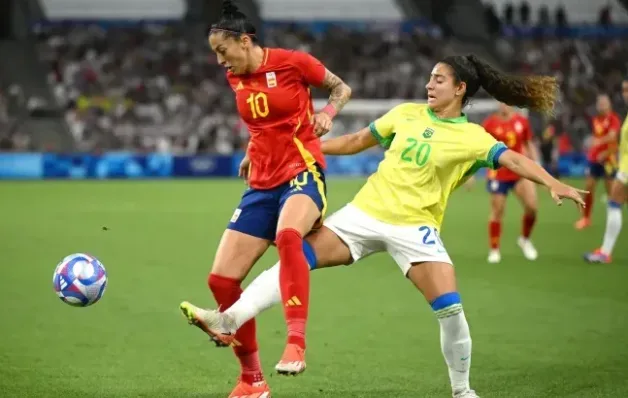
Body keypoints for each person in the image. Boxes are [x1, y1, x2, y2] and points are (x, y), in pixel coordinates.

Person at [181, 54, 586, 398]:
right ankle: (228, 319)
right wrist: (292, 147)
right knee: (296, 254)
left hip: (415, 229)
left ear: (460, 89)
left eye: (438, 79)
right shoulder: (406, 114)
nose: (429, 84)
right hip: (365, 214)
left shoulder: (472, 138)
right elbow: (357, 140)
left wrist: (552, 183)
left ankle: (462, 391)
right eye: (429, 77)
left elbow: (514, 160)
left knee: (450, 308)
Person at [179, 1, 352, 397]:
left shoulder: (293, 63)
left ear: (245, 41)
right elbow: (262, 123)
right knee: (220, 280)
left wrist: (328, 112)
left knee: (288, 235)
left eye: (223, 52)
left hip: (302, 172)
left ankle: (296, 342)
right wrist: (249, 152)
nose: (220, 62)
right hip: (261, 181)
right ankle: (252, 381)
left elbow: (342, 88)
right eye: (215, 55)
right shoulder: (235, 77)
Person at [482, 103, 540, 263]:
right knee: (497, 211)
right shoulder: (490, 123)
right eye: (501, 101)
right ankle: (494, 249)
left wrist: (537, 167)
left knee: (532, 207)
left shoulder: (522, 122)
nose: (503, 105)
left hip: (519, 171)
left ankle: (525, 239)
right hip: (498, 173)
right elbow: (479, 147)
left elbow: (529, 144)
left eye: (506, 102)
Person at [584, 80, 628, 263]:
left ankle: (604, 252)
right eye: (624, 89)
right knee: (614, 202)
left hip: (623, 168)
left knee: (614, 203)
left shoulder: (616, 119)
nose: (625, 93)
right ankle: (604, 252)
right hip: (622, 165)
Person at [575, 93, 620, 230]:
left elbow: (612, 137)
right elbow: (596, 137)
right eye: (599, 103)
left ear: (609, 104)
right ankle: (585, 218)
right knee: (588, 187)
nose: (601, 106)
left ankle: (612, 220)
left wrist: (600, 144)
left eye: (604, 103)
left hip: (608, 159)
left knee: (613, 192)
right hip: (595, 158)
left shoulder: (614, 119)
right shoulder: (596, 120)